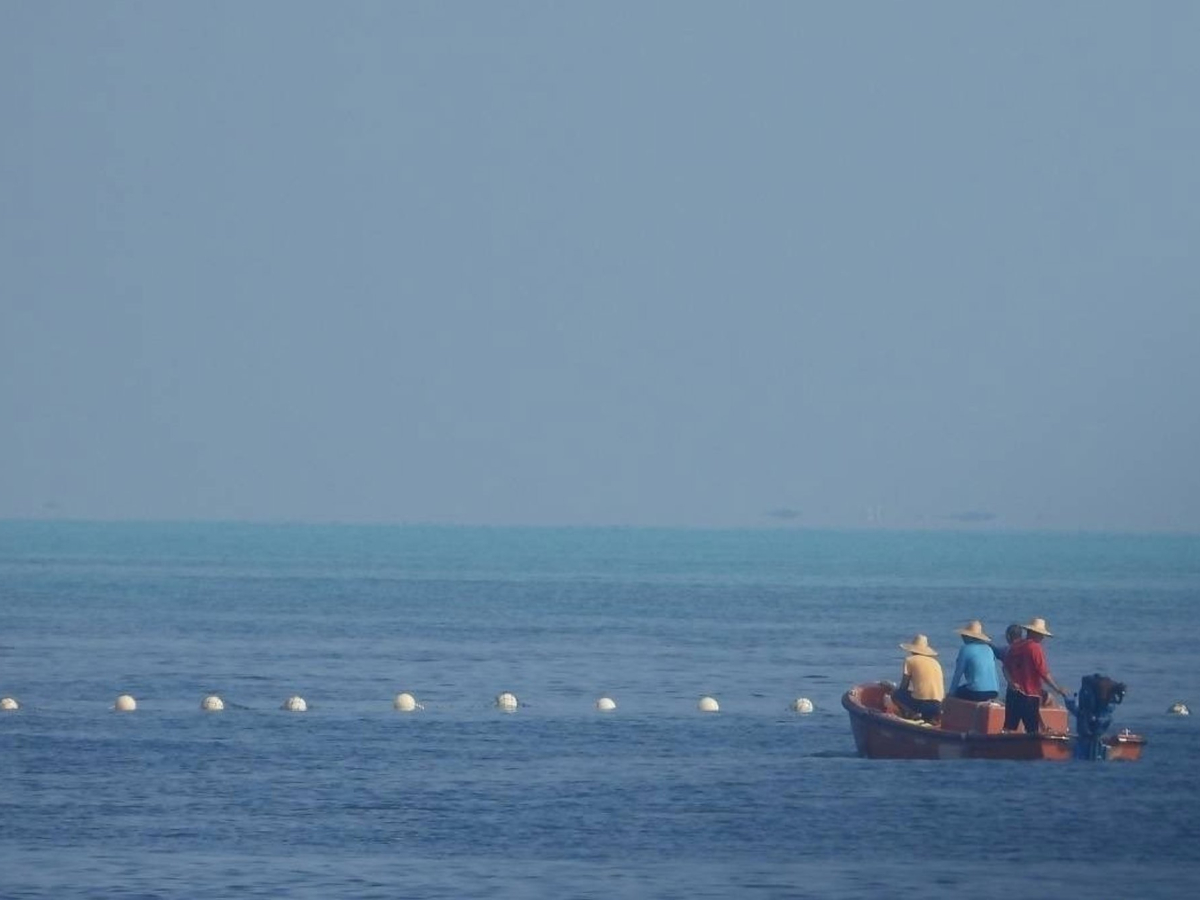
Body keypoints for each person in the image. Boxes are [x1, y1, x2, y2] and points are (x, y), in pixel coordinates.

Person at [1002, 617, 1069, 733]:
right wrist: (1058, 689)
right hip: (1029, 695)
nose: (1043, 638)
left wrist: (1011, 682)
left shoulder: (1014, 647)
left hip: (1013, 694)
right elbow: (1044, 673)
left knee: (1009, 728)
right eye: (1041, 634)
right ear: (1034, 633)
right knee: (1032, 729)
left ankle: (1004, 745)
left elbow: (1005, 668)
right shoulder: (1035, 648)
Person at [892, 633, 945, 722]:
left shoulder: (910, 660)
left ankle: (911, 715)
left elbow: (904, 685)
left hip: (922, 704)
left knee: (896, 694)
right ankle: (928, 718)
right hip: (938, 704)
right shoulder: (936, 663)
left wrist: (895, 690)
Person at [947, 620, 1000, 701]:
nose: (962, 637)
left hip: (977, 692)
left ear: (969, 637)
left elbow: (958, 674)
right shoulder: (989, 649)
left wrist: (951, 693)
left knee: (958, 691)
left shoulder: (966, 649)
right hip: (993, 692)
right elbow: (994, 673)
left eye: (964, 635)